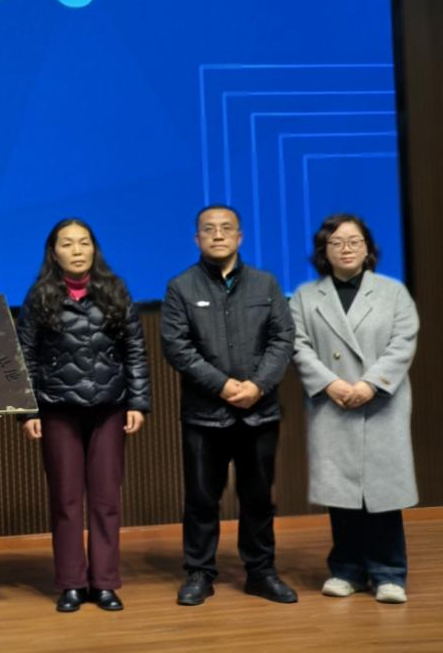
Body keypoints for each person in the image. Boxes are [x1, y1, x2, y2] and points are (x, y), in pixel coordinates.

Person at [161, 205, 298, 606]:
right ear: (197, 238)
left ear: (240, 237)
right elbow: (177, 347)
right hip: (205, 415)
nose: (218, 235)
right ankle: (199, 573)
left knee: (258, 497)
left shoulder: (265, 283)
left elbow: (283, 339)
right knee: (202, 499)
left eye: (226, 229)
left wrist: (258, 385)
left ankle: (261, 572)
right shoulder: (180, 287)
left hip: (259, 411)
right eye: (209, 229)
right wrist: (222, 386)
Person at [16, 218, 151, 613]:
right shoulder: (39, 296)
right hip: (58, 410)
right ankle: (72, 583)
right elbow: (24, 357)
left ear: (94, 249)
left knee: (106, 500)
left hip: (110, 408)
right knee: (66, 500)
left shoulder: (115, 291)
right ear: (53, 252)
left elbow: (135, 351)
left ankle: (104, 583)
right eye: (67, 244)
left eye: (84, 242)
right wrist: (28, 411)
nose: (77, 250)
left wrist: (138, 403)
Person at [290, 214, 419, 605]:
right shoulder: (305, 296)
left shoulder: (393, 292)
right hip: (332, 402)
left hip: (381, 402)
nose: (346, 249)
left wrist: (370, 384)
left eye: (354, 241)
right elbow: (297, 345)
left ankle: (389, 574)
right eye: (336, 242)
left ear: (368, 248)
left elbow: (403, 342)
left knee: (383, 494)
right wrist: (330, 383)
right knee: (342, 493)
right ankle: (346, 570)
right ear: (323, 251)